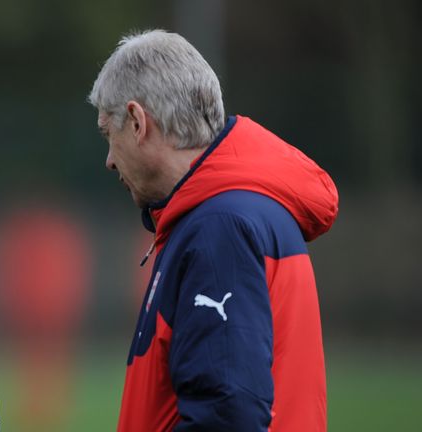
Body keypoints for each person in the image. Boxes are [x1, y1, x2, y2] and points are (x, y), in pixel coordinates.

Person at [89, 30, 338, 431]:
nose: (109, 160)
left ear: (137, 122)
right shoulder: (233, 212)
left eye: (108, 133)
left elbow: (227, 415)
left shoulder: (219, 227)